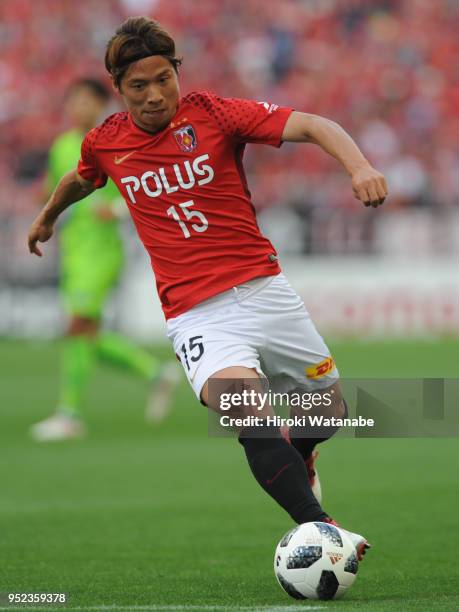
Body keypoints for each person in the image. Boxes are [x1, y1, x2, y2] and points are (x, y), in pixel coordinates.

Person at [28, 16, 388, 558]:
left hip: (266, 291)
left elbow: (314, 123)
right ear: (118, 89)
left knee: (329, 413)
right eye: (137, 86)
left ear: (177, 72)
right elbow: (81, 178)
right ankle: (321, 528)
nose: (154, 96)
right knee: (248, 413)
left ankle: (304, 456)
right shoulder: (106, 142)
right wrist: (48, 217)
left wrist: (358, 166)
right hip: (198, 316)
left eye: (162, 79)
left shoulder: (215, 114)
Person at [30, 77, 180, 442]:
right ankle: (154, 374)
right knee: (84, 332)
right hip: (74, 251)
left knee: (78, 326)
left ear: (99, 105)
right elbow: (55, 189)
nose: (79, 107)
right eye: (74, 100)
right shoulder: (62, 145)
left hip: (101, 251)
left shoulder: (113, 141)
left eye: (87, 101)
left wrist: (114, 210)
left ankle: (69, 414)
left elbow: (141, 189)